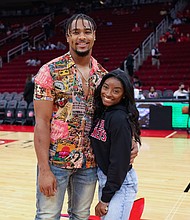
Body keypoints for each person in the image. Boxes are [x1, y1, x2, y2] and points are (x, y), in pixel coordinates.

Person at [33, 13, 139, 220]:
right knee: (47, 216)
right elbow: (41, 123)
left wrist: (132, 138)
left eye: (87, 32)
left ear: (94, 36)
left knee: (81, 216)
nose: (82, 37)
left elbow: (122, 112)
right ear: (67, 37)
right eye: (76, 32)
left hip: (90, 164)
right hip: (56, 162)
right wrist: (44, 170)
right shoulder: (49, 72)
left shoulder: (103, 75)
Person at [90, 69, 141, 219]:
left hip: (120, 183)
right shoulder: (103, 112)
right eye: (106, 87)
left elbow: (119, 163)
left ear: (124, 94)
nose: (108, 93)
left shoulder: (119, 118)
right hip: (108, 180)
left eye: (116, 91)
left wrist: (105, 199)